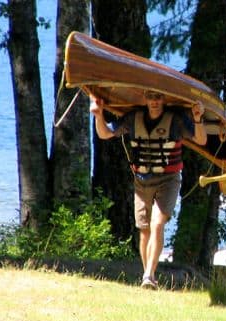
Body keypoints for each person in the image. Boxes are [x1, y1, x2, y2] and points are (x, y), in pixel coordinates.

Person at [89, 91, 207, 289]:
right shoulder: (133, 119)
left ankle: (148, 275)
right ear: (145, 98)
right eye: (151, 97)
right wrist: (98, 114)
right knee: (144, 230)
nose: (154, 101)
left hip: (168, 180)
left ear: (164, 99)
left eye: (158, 97)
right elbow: (105, 133)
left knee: (157, 224)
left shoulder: (175, 121)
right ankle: (149, 276)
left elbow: (201, 140)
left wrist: (198, 118)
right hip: (142, 181)